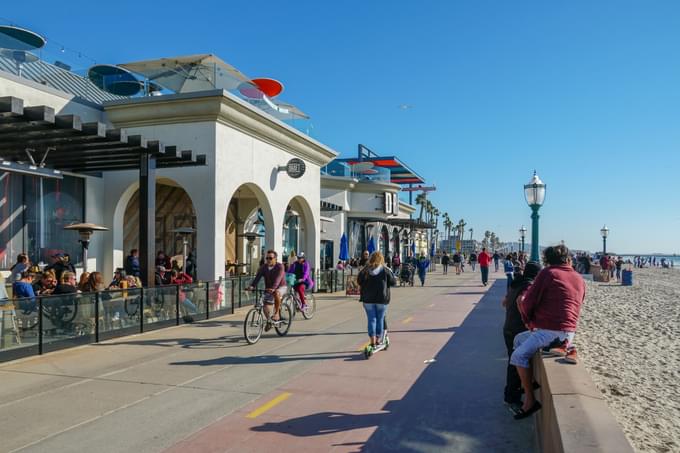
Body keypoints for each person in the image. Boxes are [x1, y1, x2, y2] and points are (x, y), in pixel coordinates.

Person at [511, 244, 585, 419]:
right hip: (568, 332)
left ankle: (529, 400)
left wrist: (528, 319)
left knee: (517, 356)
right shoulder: (578, 277)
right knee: (519, 340)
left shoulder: (548, 273)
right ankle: (530, 382)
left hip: (551, 332)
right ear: (568, 259)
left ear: (547, 260)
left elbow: (527, 301)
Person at [502, 261, 542, 407]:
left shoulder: (516, 284)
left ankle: (517, 391)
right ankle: (511, 397)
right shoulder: (529, 286)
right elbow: (523, 301)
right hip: (518, 329)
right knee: (515, 364)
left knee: (512, 362)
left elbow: (504, 302)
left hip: (508, 327)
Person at [357, 251, 396, 348]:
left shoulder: (365, 270)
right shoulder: (385, 270)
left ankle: (372, 340)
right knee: (380, 319)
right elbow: (393, 282)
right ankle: (378, 339)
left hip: (368, 299)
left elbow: (359, 281)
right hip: (381, 299)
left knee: (371, 319)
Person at [247, 250, 286, 329]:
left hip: (280, 286)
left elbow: (278, 279)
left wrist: (274, 288)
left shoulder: (280, 266)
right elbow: (257, 277)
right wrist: (252, 286)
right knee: (265, 304)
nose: (268, 260)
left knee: (276, 293)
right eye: (267, 258)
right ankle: (269, 321)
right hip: (269, 288)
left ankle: (276, 313)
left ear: (275, 259)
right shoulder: (264, 267)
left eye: (270, 258)